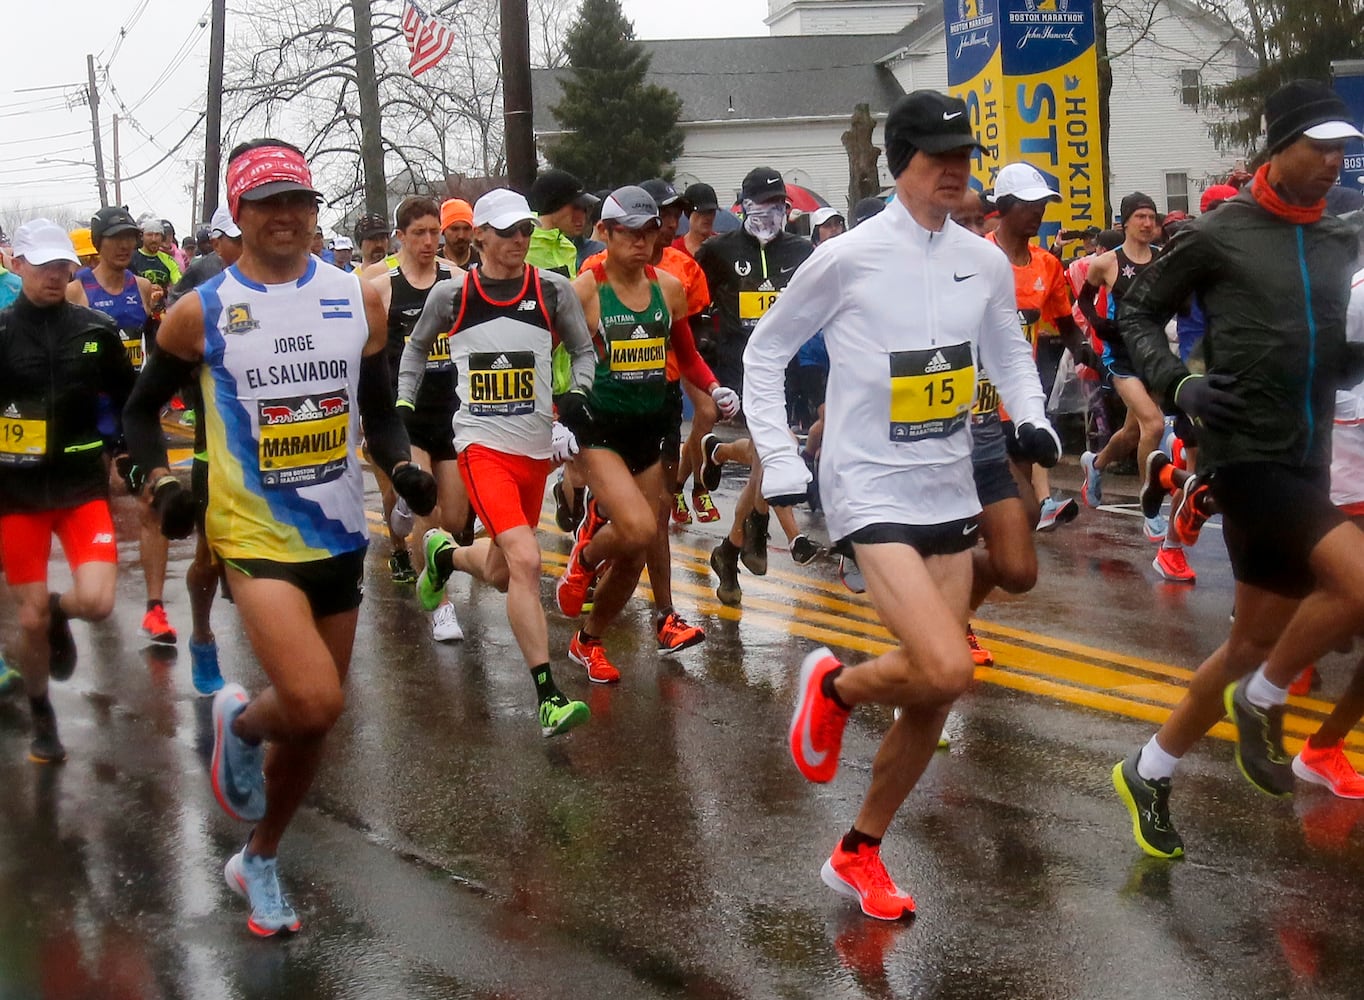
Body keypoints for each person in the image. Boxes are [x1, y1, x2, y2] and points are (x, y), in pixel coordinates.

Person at [745, 90, 1060, 920]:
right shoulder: (848, 257)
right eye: (938, 157)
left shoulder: (984, 260)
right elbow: (767, 349)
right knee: (948, 663)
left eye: (964, 156)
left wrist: (1030, 421)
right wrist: (780, 461)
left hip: (947, 486)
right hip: (867, 488)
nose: (957, 169)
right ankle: (838, 691)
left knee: (932, 693)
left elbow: (1009, 352)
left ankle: (859, 851)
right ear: (901, 166)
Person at [122, 138, 437, 936]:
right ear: (240, 215)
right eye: (268, 204)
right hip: (252, 533)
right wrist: (156, 479)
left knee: (317, 720)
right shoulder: (203, 310)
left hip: (337, 530)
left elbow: (378, 407)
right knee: (310, 697)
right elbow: (138, 411)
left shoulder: (354, 297)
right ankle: (241, 721)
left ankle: (258, 855)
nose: (287, 216)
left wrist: (400, 468)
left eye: (299, 201)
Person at [1111, 80, 1364, 859]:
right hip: (1245, 450)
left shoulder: (1338, 237)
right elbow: (1135, 311)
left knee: (1251, 640)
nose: (1331, 161)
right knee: (1357, 586)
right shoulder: (1220, 233)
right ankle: (1261, 703)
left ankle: (1148, 770)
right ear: (1277, 147)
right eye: (1316, 146)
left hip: (1311, 452)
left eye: (1340, 148)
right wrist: (1177, 383)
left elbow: (1323, 347)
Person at [400, 188, 596, 734]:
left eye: (525, 231)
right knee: (529, 563)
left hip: (536, 450)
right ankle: (548, 695)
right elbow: (416, 348)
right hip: (482, 447)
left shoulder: (552, 290)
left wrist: (576, 399)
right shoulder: (452, 296)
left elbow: (582, 351)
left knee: (501, 567)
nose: (518, 241)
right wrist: (402, 401)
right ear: (479, 235)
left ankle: (444, 556)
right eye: (506, 231)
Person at [556, 186, 733, 681]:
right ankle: (584, 557)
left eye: (648, 230)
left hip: (650, 427)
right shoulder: (585, 290)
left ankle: (588, 641)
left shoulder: (669, 288)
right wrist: (556, 416)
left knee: (634, 556)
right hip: (600, 429)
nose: (641, 240)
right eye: (629, 232)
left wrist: (716, 388)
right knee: (638, 528)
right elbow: (551, 354)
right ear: (606, 234)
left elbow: (688, 354)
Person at [0, 220, 137, 763]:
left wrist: (130, 455)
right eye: (43, 265)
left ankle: (61, 611)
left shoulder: (95, 329)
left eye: (62, 266)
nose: (55, 275)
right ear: (18, 266)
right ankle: (41, 712)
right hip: (18, 494)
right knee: (27, 619)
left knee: (100, 603)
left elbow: (131, 401)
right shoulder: (3, 333)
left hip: (81, 487)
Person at [697, 168, 813, 602]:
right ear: (743, 206)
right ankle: (761, 530)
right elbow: (689, 294)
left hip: (790, 367)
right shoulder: (718, 251)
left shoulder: (804, 250)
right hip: (739, 366)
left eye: (779, 205)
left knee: (768, 452)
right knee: (774, 446)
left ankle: (730, 546)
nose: (771, 214)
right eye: (761, 205)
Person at [66, 206, 177, 646]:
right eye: (116, 237)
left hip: (134, 410)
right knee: (98, 506)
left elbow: (157, 343)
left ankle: (155, 608)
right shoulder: (78, 290)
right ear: (98, 242)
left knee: (153, 500)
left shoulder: (144, 285)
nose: (126, 245)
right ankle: (95, 585)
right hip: (90, 414)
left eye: (130, 236)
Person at [369, 196, 467, 641]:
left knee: (455, 519)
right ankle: (441, 606)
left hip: (450, 413)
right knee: (426, 509)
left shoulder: (459, 280)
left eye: (435, 232)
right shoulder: (380, 285)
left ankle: (404, 509)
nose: (430, 242)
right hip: (405, 414)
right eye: (420, 233)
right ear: (401, 236)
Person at [986, 163, 1088, 533]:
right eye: (1029, 203)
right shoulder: (978, 258)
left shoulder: (1048, 264)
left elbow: (1066, 325)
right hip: (977, 405)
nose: (1039, 211)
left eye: (1042, 203)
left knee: (1021, 514)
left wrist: (1087, 354)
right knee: (1008, 507)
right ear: (1005, 206)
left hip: (1020, 401)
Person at [1077, 193, 1173, 545]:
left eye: (1152, 217)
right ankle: (1150, 509)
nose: (1148, 223)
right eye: (1141, 217)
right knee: (1154, 424)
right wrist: (1098, 324)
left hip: (1152, 355)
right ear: (1126, 222)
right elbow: (1083, 300)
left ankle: (1096, 465)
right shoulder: (1106, 262)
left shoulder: (1164, 260)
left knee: (1134, 433)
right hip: (1119, 357)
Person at [527, 169, 596, 279]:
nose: (582, 216)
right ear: (555, 205)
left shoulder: (568, 248)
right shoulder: (522, 242)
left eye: (585, 209)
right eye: (576, 207)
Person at [169, 206, 242, 304]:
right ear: (216, 245)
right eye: (238, 241)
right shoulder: (200, 269)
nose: (245, 246)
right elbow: (174, 300)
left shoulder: (262, 271)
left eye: (248, 239)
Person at [129, 218, 182, 291]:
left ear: (162, 237)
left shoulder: (169, 261)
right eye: (149, 235)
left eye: (157, 235)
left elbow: (179, 285)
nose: (154, 239)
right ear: (142, 237)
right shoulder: (131, 258)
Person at [439, 198, 480, 269]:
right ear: (443, 230)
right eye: (455, 229)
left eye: (466, 229)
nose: (461, 236)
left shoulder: (484, 261)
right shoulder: (433, 264)